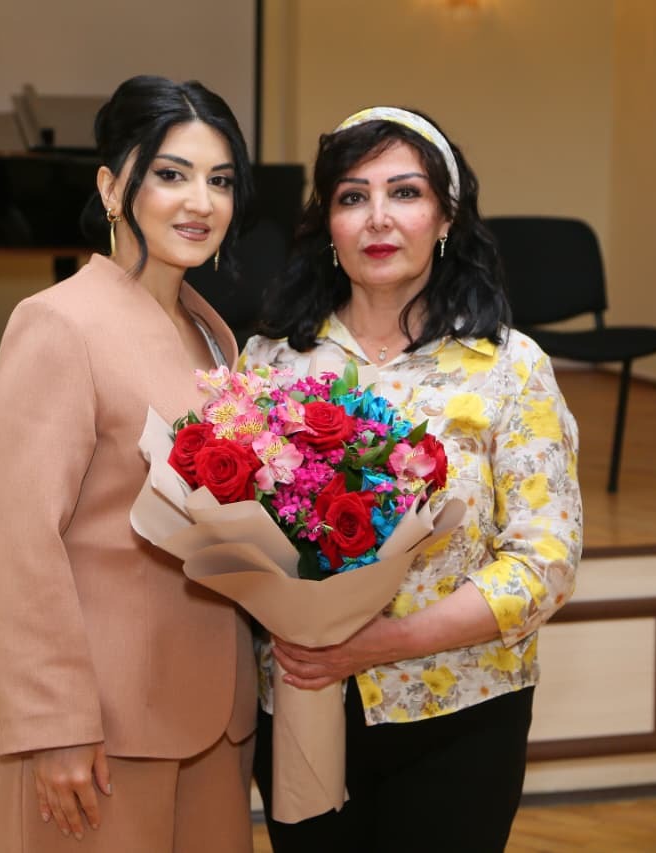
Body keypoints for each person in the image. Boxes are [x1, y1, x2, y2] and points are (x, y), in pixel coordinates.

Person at [240, 107, 583, 852]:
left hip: (460, 713)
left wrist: (381, 642)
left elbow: (544, 565)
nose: (378, 218)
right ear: (327, 223)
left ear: (446, 217)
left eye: (405, 192)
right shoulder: (270, 362)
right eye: (352, 196)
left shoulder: (510, 367)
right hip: (301, 703)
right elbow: (230, 535)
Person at [0, 75, 258, 851]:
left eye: (220, 180)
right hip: (101, 724)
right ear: (110, 187)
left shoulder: (213, 334)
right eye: (171, 174)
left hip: (216, 716)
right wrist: (56, 722)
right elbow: (23, 540)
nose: (200, 201)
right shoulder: (58, 323)